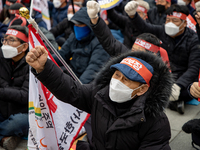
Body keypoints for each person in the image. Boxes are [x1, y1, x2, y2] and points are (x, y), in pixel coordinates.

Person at [26, 44, 172, 149]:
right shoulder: (99, 93)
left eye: (126, 80)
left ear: (142, 89)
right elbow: (72, 91)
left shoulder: (156, 122)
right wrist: (44, 68)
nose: (117, 82)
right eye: (117, 75)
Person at [119, 2, 200, 114]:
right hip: (163, 73)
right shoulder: (162, 30)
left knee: (191, 90)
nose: (170, 23)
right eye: (168, 20)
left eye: (175, 21)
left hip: (182, 77)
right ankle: (173, 103)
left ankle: (172, 100)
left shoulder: (193, 39)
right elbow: (144, 27)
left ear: (184, 23)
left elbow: (194, 67)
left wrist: (179, 85)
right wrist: (133, 15)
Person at [52, 7, 110, 84]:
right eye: (75, 24)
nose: (77, 27)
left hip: (87, 85)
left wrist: (77, 88)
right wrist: (46, 59)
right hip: (72, 76)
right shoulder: (74, 36)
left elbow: (93, 69)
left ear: (90, 25)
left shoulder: (100, 41)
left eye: (80, 24)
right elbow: (61, 56)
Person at [0, 25, 29, 150]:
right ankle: (5, 137)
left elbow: (25, 95)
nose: (6, 43)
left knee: (17, 123)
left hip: (24, 111)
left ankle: (6, 135)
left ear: (24, 46)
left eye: (11, 40)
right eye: (5, 39)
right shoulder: (2, 57)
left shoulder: (32, 63)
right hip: (4, 106)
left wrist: (2, 91)